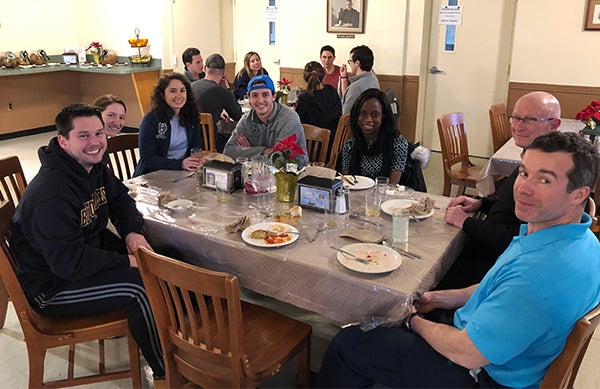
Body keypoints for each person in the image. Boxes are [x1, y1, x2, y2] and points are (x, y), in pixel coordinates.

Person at [315, 131, 600, 388]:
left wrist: (414, 321)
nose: (523, 188)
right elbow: (499, 287)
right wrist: (442, 298)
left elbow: (468, 352)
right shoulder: (580, 239)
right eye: (524, 173)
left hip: (482, 375)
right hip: (507, 351)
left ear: (579, 194)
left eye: (545, 180)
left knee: (349, 343)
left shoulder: (540, 275)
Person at [9, 103, 165, 380]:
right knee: (139, 287)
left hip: (83, 256)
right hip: (52, 286)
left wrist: (133, 233)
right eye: (83, 136)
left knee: (166, 257)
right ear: (63, 141)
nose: (95, 142)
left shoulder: (92, 167)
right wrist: (127, 261)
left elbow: (119, 199)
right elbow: (71, 264)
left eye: (99, 133)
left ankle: (180, 336)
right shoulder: (51, 195)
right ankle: (167, 373)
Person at [436, 91, 562, 290]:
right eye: (516, 118)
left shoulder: (549, 175)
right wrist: (482, 203)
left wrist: (466, 222)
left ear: (554, 125)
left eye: (529, 119)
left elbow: (519, 237)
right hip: (490, 247)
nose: (518, 126)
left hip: (496, 267)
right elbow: (512, 209)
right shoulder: (534, 156)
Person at [224, 74, 308, 168]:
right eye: (255, 95)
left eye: (265, 95)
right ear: (249, 98)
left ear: (273, 96)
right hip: (257, 174)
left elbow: (279, 160)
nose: (260, 101)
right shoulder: (246, 119)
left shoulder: (289, 119)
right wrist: (264, 150)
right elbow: (228, 151)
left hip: (291, 175)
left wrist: (248, 151)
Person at [133, 72, 203, 176]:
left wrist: (195, 161)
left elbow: (196, 147)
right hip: (153, 175)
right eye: (172, 91)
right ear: (162, 94)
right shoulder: (151, 119)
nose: (179, 95)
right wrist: (180, 164)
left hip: (181, 174)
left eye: (182, 91)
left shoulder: (191, 116)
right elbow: (147, 159)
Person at [340, 88, 408, 185]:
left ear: (383, 116)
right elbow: (346, 183)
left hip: (386, 196)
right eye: (363, 113)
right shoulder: (350, 145)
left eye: (375, 115)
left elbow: (392, 186)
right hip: (356, 196)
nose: (368, 119)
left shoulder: (398, 144)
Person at [191, 53, 242, 152]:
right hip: (210, 144)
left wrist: (218, 115)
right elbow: (237, 115)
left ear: (205, 68)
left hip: (189, 141)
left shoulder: (190, 86)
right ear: (223, 72)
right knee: (235, 140)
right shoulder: (221, 91)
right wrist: (227, 89)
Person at [295, 61, 341, 144]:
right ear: (323, 75)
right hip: (334, 144)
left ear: (305, 77)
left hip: (313, 149)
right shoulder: (331, 91)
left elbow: (298, 126)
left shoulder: (304, 100)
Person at [340, 45, 379, 115]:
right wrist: (344, 77)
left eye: (350, 61)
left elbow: (345, 115)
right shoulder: (373, 77)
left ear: (357, 63)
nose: (350, 64)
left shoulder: (355, 87)